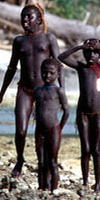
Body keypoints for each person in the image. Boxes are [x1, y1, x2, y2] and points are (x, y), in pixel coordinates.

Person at [0, 3, 62, 177]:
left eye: (29, 17)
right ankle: (20, 160)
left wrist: (61, 92)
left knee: (43, 131)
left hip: (44, 91)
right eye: (23, 17)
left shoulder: (48, 39)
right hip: (24, 89)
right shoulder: (19, 41)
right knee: (20, 130)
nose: (25, 20)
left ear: (39, 20)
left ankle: (42, 164)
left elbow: (58, 66)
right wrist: (0, 96)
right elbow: (11, 68)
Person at [58, 38, 100, 192]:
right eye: (87, 52)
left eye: (95, 53)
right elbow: (61, 57)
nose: (91, 55)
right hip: (83, 114)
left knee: (96, 150)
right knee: (85, 149)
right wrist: (79, 47)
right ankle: (85, 182)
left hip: (98, 114)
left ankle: (98, 183)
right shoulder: (81, 68)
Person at [33, 58, 69, 192]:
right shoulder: (37, 91)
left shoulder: (59, 91)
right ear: (40, 72)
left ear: (58, 74)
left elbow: (67, 111)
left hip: (54, 129)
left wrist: (60, 128)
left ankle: (54, 190)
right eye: (44, 72)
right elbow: (36, 109)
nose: (47, 76)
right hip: (39, 130)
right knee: (41, 162)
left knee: (52, 162)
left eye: (51, 73)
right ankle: (42, 188)